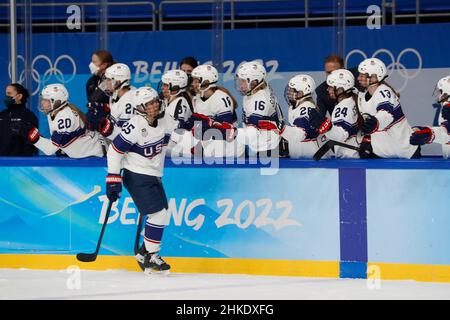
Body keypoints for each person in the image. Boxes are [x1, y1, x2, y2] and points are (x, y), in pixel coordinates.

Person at [106, 87, 171, 275]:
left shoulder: (163, 120)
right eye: (149, 103)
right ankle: (152, 255)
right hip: (137, 176)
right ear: (139, 108)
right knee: (158, 215)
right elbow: (114, 151)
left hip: (153, 175)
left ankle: (144, 253)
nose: (154, 105)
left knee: (162, 214)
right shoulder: (134, 126)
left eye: (155, 101)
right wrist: (113, 178)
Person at [356, 57, 420, 159]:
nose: (359, 78)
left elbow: (386, 115)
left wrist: (376, 122)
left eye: (363, 75)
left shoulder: (384, 92)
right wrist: (367, 139)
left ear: (374, 77)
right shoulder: (362, 96)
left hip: (405, 152)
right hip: (384, 153)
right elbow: (370, 126)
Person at [24, 83, 104, 158]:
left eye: (46, 100)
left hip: (91, 155)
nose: (42, 103)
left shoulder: (64, 117)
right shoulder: (54, 111)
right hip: (83, 154)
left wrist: (33, 136)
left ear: (56, 101)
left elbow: (50, 149)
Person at [259, 74, 325, 158]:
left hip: (313, 153)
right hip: (306, 153)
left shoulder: (306, 107)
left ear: (301, 93)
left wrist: (281, 128)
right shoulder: (297, 106)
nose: (289, 92)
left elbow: (302, 133)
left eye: (292, 90)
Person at [190, 64, 243, 158]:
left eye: (196, 81)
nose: (193, 84)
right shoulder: (197, 99)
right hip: (212, 147)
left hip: (230, 149)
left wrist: (208, 124)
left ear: (206, 82)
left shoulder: (221, 98)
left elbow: (226, 132)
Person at [234, 61, 284, 157]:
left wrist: (229, 133)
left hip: (268, 148)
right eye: (240, 81)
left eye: (243, 81)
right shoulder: (257, 91)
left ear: (254, 81)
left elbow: (253, 129)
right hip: (265, 144)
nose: (240, 85)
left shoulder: (260, 98)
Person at [309, 69, 362, 158]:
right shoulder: (355, 99)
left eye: (330, 86)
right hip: (356, 155)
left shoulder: (342, 107)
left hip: (349, 160)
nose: (327, 89)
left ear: (340, 89)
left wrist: (325, 126)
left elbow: (340, 136)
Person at [90, 63, 136, 142]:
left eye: (108, 80)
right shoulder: (116, 94)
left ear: (117, 82)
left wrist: (108, 131)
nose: (106, 83)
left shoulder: (129, 102)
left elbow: (129, 136)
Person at [409, 75, 450, 158]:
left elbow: (446, 136)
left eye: (441, 92)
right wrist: (427, 132)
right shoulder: (446, 110)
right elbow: (445, 132)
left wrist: (430, 134)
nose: (439, 96)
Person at [158, 69, 194, 157]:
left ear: (175, 86)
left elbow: (177, 130)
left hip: (178, 148)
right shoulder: (166, 101)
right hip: (170, 146)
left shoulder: (180, 102)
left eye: (166, 85)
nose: (163, 87)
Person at [0, 83, 38, 156]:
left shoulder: (29, 116)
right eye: (6, 94)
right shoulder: (2, 115)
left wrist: (23, 161)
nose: (6, 96)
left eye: (9, 93)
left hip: (19, 163)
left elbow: (31, 142)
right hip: (2, 163)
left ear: (19, 96)